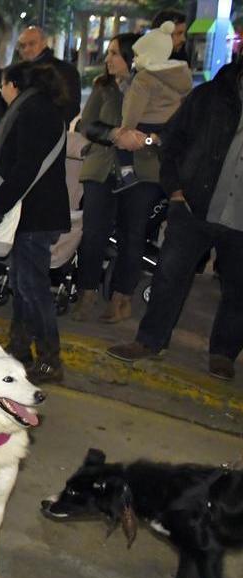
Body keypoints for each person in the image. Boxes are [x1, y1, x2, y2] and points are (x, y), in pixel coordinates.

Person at [107, 59, 243, 381]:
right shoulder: (210, 95)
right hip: (194, 205)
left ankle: (224, 353)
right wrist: (175, 191)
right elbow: (173, 140)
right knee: (169, 276)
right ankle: (149, 341)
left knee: (239, 289)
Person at [0, 62, 71, 383]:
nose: (1, 92)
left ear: (14, 86)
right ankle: (19, 350)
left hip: (36, 213)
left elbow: (26, 167)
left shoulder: (34, 111)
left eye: (2, 85)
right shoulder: (39, 108)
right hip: (35, 212)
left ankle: (50, 359)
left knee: (33, 289)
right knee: (23, 285)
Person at [71, 33, 165, 324]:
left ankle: (121, 298)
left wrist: (144, 141)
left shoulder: (156, 86)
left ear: (133, 57)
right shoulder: (104, 87)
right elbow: (87, 124)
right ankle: (86, 292)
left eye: (115, 54)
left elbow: (170, 132)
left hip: (141, 172)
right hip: (101, 168)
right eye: (108, 53)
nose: (108, 59)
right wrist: (115, 135)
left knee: (132, 235)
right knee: (93, 233)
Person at [112, 21, 191, 193]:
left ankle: (127, 175)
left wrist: (126, 130)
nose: (134, 59)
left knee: (121, 142)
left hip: (146, 124)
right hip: (168, 126)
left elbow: (134, 108)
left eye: (137, 54)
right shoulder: (179, 75)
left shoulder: (144, 78)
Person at [15, 26, 81, 124]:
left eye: (32, 44)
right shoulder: (17, 71)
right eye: (23, 46)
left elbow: (72, 106)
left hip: (51, 133)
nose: (26, 49)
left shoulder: (64, 70)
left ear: (44, 42)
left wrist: (50, 124)